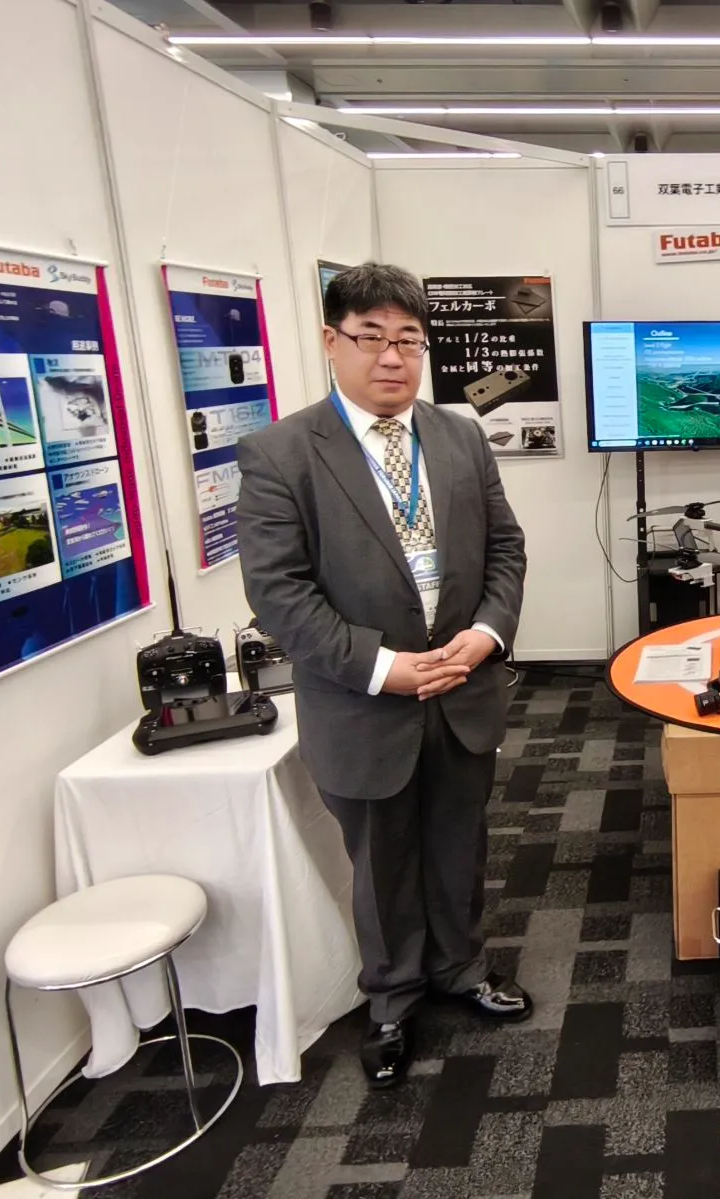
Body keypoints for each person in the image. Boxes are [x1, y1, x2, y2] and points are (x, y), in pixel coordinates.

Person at [235, 263, 531, 1089]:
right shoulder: (281, 453)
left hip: (462, 687)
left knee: (460, 838)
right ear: (332, 341)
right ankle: (393, 997)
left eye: (408, 339)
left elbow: (505, 549)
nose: (392, 357)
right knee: (382, 858)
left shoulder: (460, 435)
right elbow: (279, 594)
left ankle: (461, 967)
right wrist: (380, 666)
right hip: (362, 702)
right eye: (371, 337)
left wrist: (485, 635)